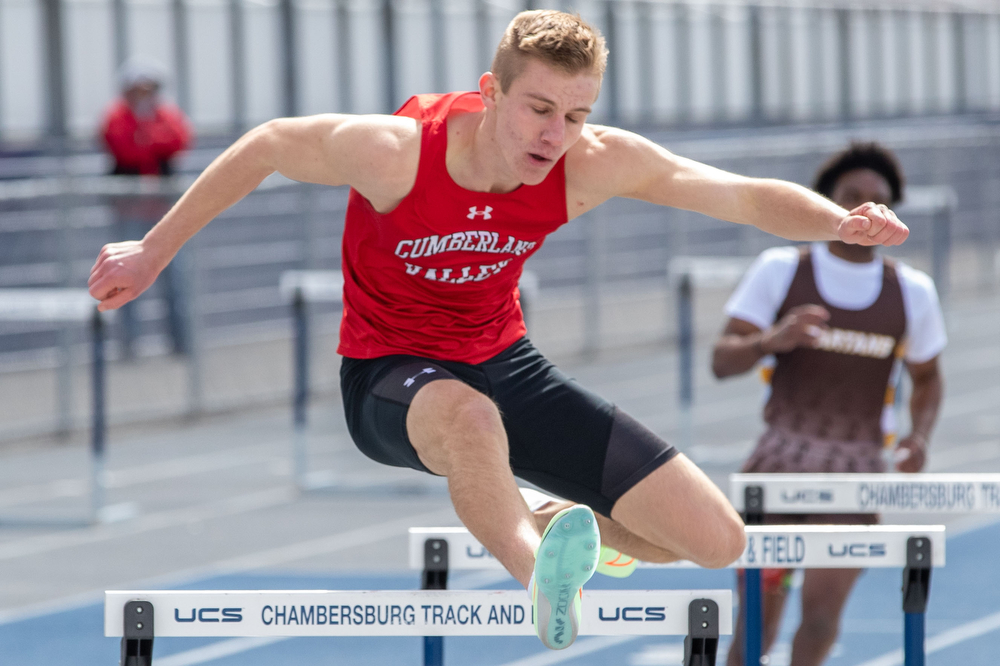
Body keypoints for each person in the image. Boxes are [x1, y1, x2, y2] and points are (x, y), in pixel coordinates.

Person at [88, 12, 909, 651]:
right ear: (490, 92)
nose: (554, 137)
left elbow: (737, 195)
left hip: (503, 361)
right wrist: (153, 250)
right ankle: (540, 580)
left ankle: (549, 526)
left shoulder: (590, 162)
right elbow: (267, 144)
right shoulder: (396, 153)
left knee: (715, 541)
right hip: (388, 372)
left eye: (576, 115)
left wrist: (841, 220)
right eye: (539, 109)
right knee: (470, 420)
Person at [713, 142, 945, 666]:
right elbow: (722, 361)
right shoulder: (779, 269)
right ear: (831, 204)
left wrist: (918, 436)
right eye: (852, 197)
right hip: (777, 468)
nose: (866, 208)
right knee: (757, 625)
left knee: (820, 623)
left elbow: (928, 377)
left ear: (892, 214)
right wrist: (771, 339)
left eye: (878, 200)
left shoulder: (913, 292)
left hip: (855, 473)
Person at [100, 61, 193, 357]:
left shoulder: (166, 115)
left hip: (164, 213)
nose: (143, 95)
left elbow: (179, 139)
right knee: (124, 278)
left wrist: (147, 134)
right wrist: (145, 134)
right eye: (137, 89)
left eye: (149, 89)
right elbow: (123, 147)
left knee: (174, 278)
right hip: (129, 212)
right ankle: (129, 347)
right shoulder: (117, 116)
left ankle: (180, 344)